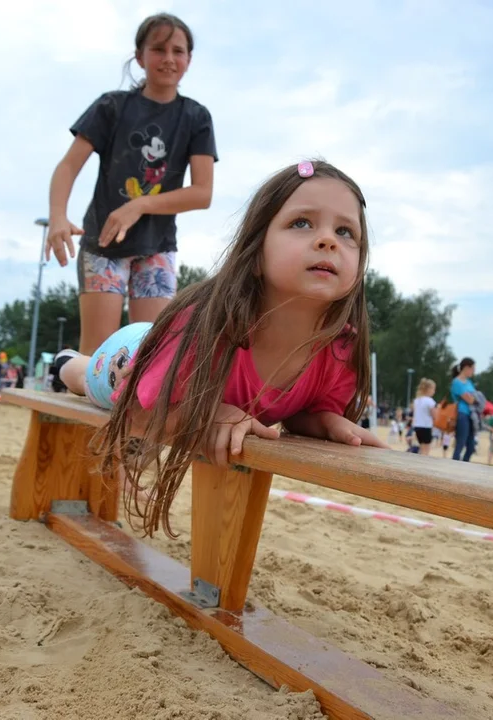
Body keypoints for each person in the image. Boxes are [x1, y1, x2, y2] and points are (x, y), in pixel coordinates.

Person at [49, 160, 385, 538]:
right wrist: (208, 414)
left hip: (170, 361)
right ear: (256, 254)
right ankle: (64, 363)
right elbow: (138, 412)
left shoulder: (340, 349)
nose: (328, 240)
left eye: (345, 231)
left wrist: (324, 420)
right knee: (90, 377)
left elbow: (300, 410)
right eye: (302, 223)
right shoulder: (206, 325)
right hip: (138, 355)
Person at [45, 12, 218, 357]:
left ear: (189, 60)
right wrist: (57, 217)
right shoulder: (112, 106)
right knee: (97, 356)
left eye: (178, 51)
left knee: (149, 356)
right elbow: (67, 166)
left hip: (157, 246)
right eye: (159, 49)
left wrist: (137, 205)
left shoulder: (196, 117)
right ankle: (70, 380)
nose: (169, 58)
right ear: (140, 56)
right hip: (104, 244)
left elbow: (202, 193)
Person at [449, 358, 477, 461]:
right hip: (461, 414)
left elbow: (473, 397)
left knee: (471, 446)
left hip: (471, 416)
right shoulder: (457, 382)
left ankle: (464, 466)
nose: (474, 371)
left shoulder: (469, 382)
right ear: (466, 368)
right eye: (472, 369)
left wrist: (473, 398)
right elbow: (470, 400)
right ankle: (455, 467)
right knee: (460, 443)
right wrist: (474, 398)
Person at [410, 379, 437, 456]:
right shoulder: (430, 401)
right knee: (426, 449)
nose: (434, 391)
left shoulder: (417, 400)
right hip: (426, 426)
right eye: (433, 389)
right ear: (428, 389)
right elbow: (434, 415)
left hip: (417, 426)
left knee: (422, 448)